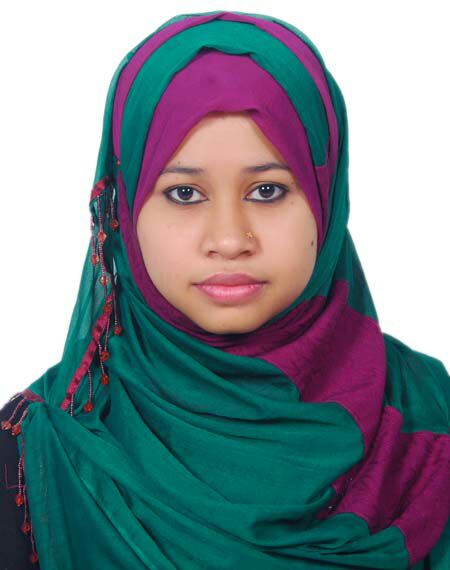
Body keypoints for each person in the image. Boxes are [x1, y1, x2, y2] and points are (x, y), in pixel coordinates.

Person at [1, 9, 449, 569]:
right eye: (185, 194)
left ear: (326, 199)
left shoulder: (431, 419)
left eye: (267, 190)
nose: (231, 240)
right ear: (125, 211)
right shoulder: (39, 456)